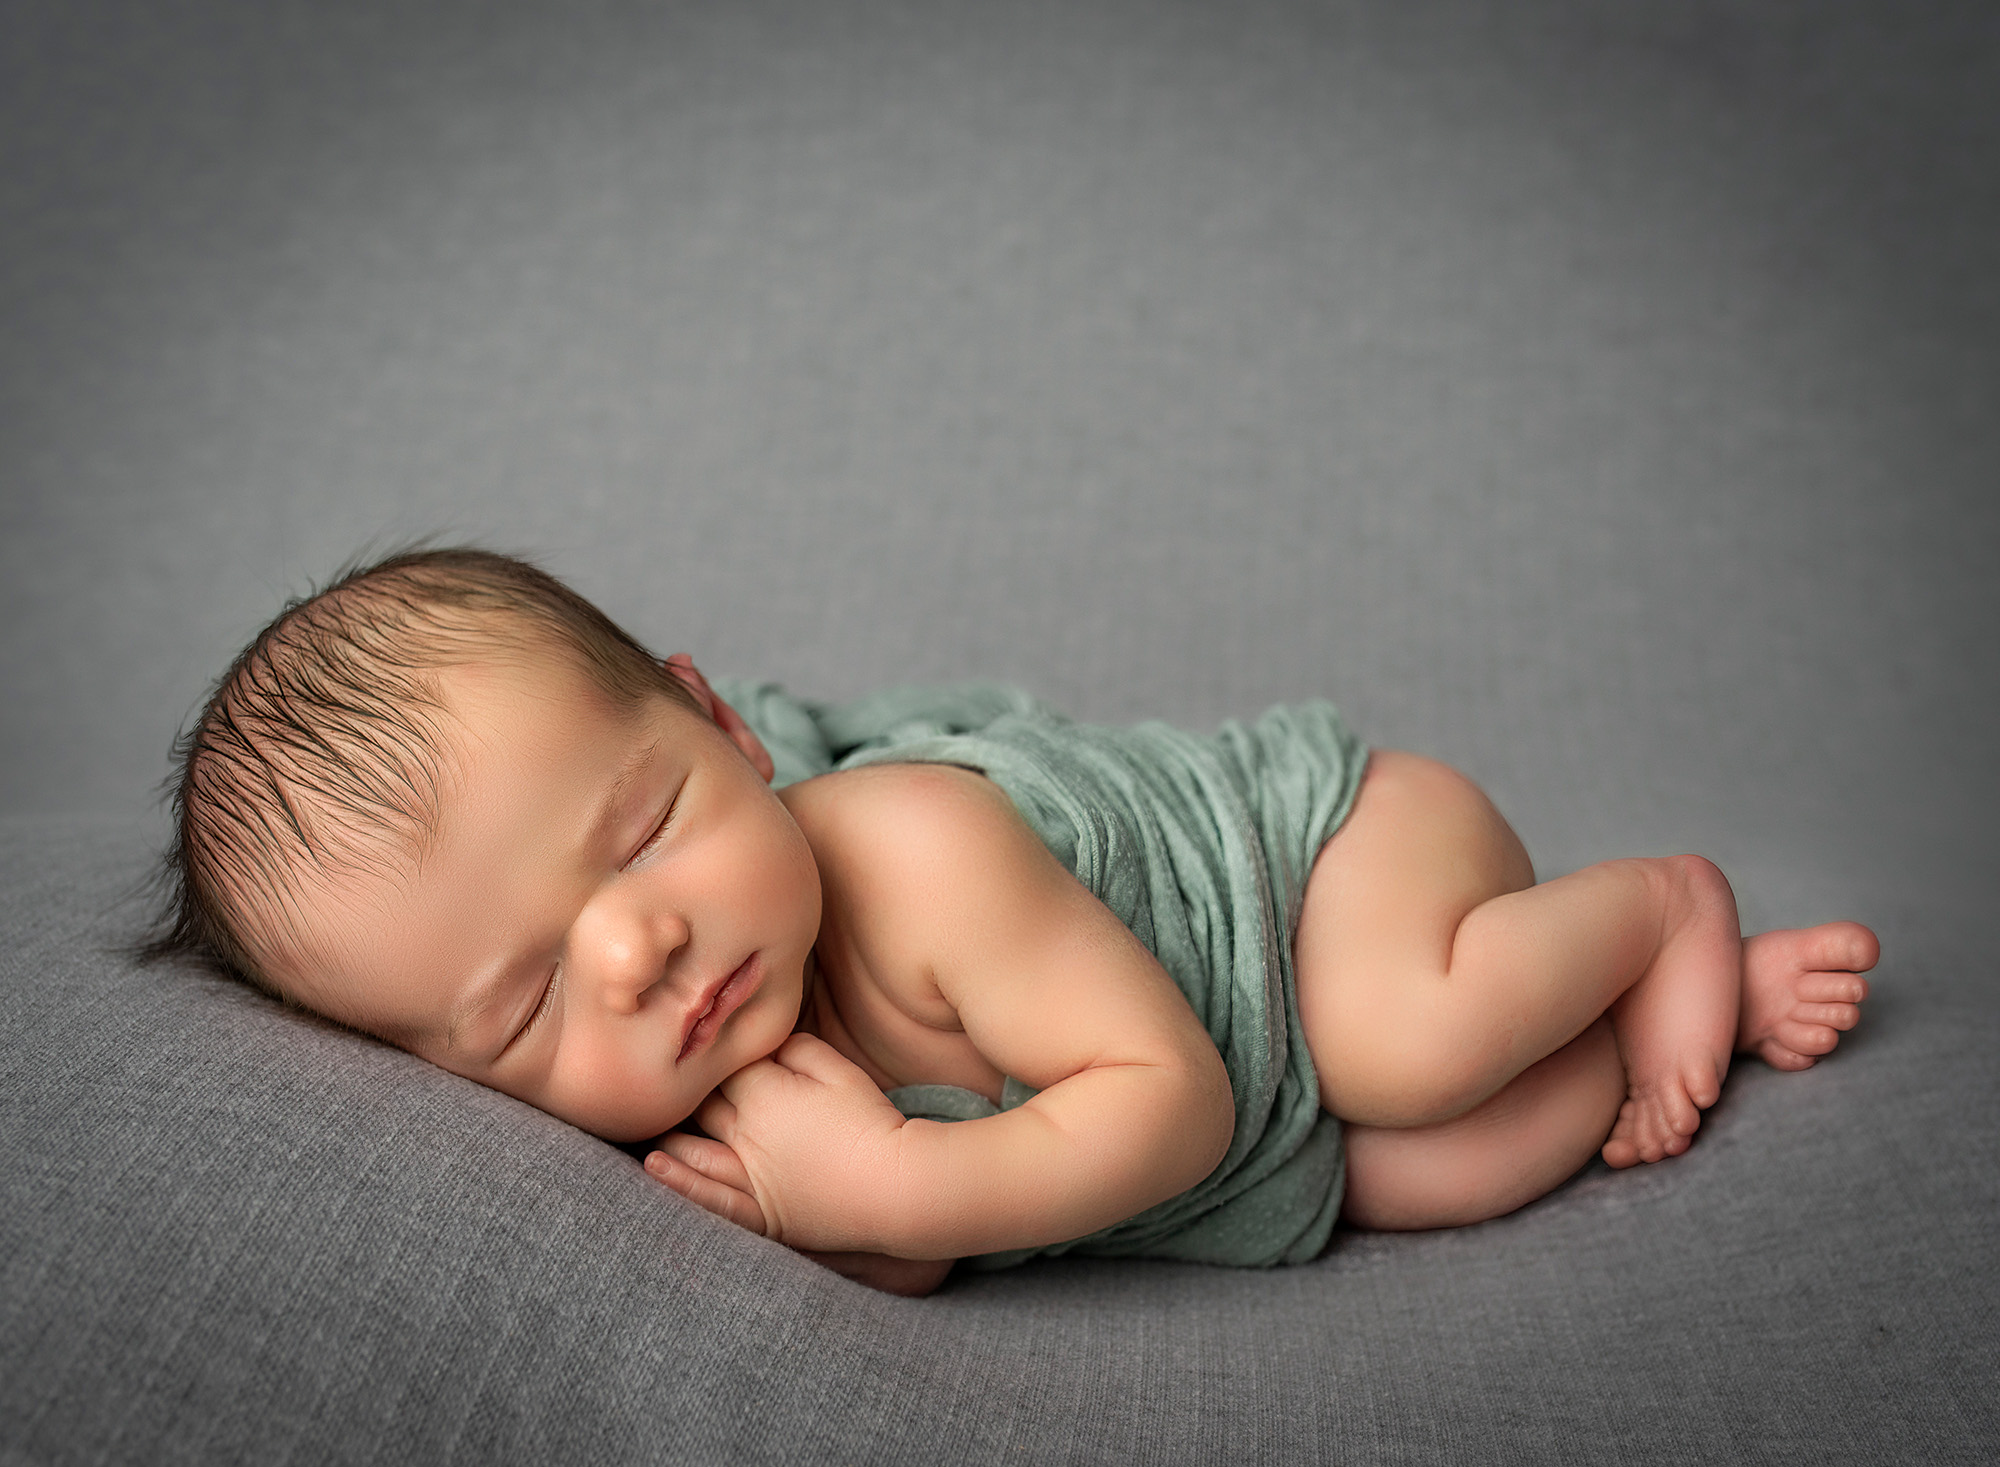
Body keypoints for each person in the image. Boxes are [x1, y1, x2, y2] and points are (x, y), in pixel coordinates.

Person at [147, 547, 1878, 1297]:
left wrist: (893, 1187)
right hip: (1266, 1108)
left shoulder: (912, 847)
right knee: (1438, 1172)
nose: (634, 954)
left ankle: (1664, 909)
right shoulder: (705, 1090)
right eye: (524, 1007)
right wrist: (865, 1230)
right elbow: (947, 1243)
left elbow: (1172, 1104)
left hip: (1328, 872)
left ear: (724, 728)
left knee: (1401, 1047)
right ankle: (1680, 1013)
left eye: (645, 832)